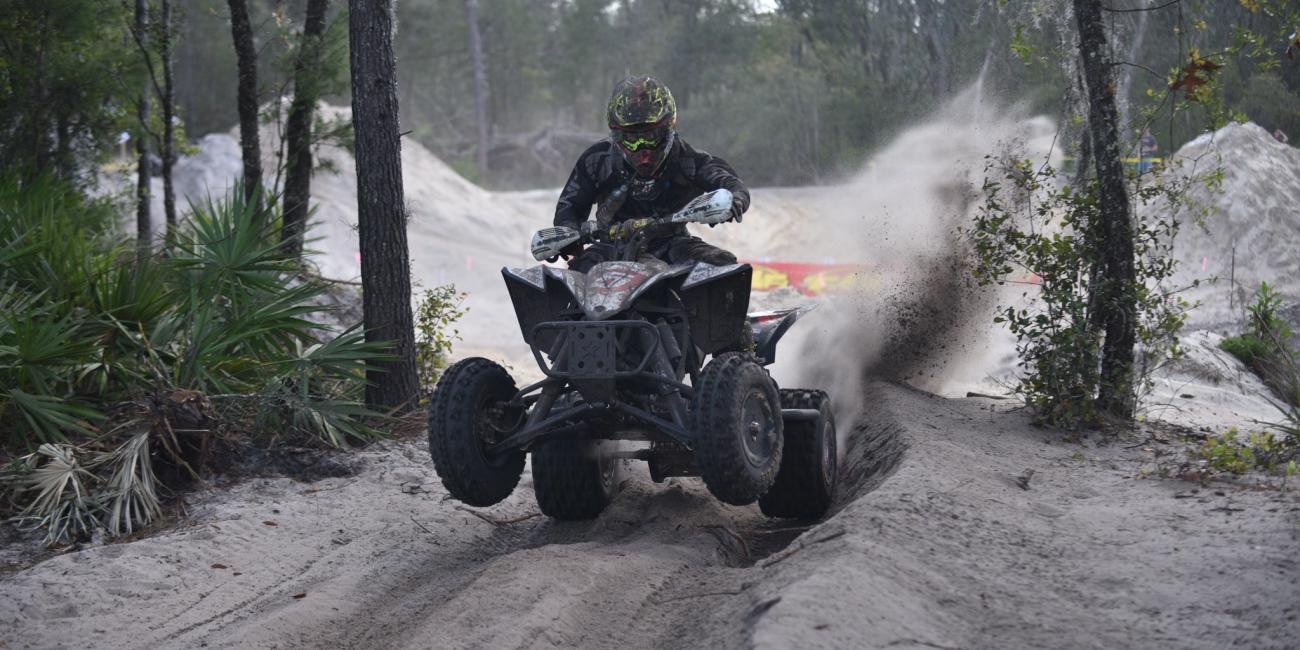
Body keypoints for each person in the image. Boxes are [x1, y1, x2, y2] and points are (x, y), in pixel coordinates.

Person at [554, 75, 748, 273]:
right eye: (631, 139)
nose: (642, 148)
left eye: (651, 136)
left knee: (722, 266)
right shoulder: (597, 160)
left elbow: (732, 184)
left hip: (673, 244)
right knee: (573, 278)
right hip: (610, 247)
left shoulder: (689, 160)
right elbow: (569, 207)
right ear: (617, 136)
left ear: (669, 129)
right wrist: (569, 235)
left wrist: (734, 201)